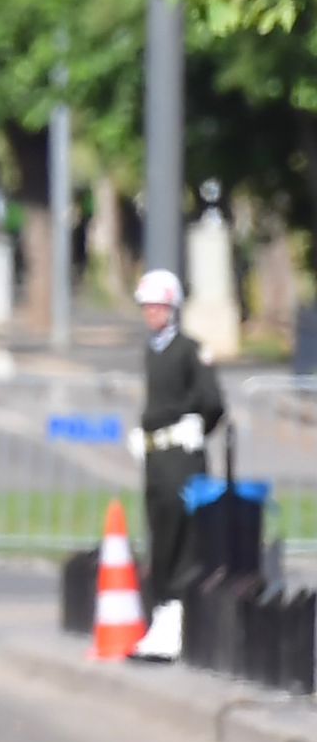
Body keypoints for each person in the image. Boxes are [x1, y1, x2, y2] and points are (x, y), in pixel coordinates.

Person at [127, 268, 224, 659]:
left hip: (181, 455)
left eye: (159, 306)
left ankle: (178, 616)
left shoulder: (189, 350)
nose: (152, 313)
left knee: (182, 533)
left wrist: (197, 424)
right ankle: (162, 613)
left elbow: (212, 401)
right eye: (147, 307)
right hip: (156, 454)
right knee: (160, 532)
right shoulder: (152, 351)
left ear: (173, 307)